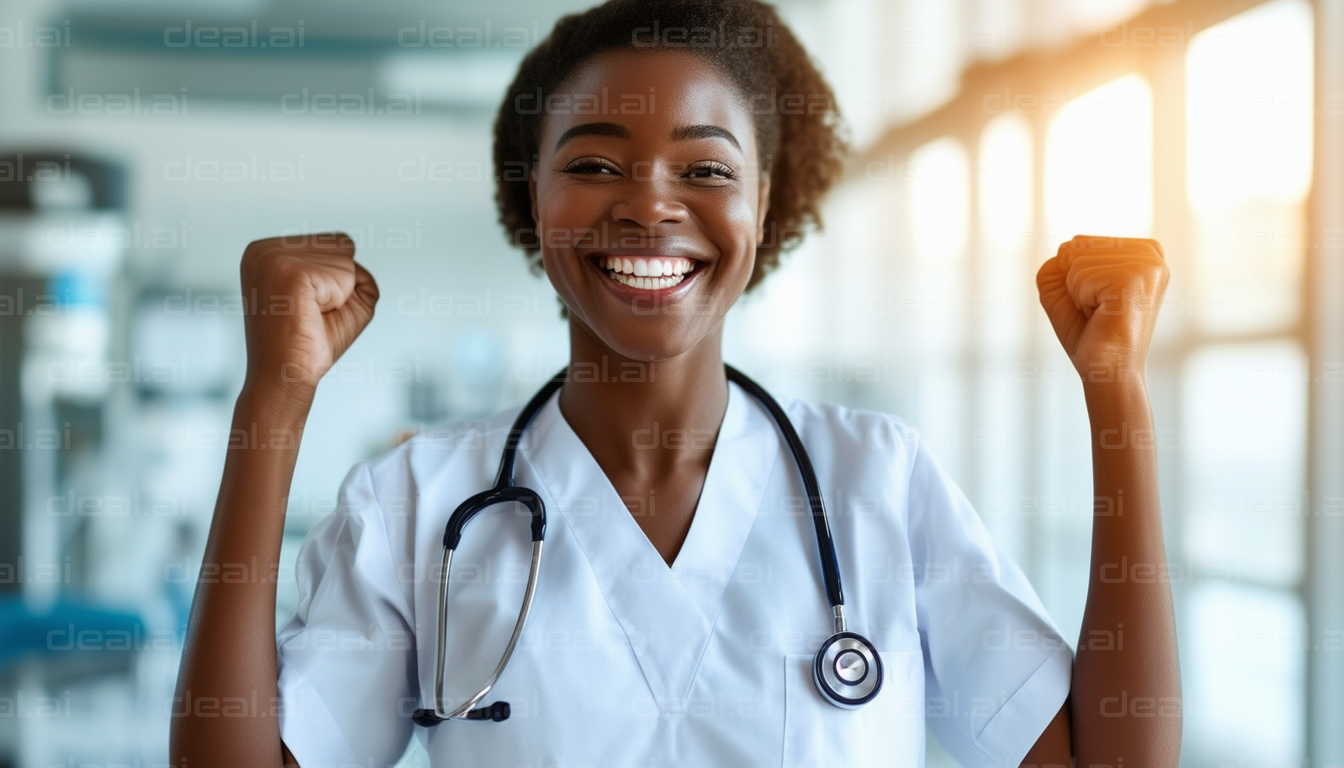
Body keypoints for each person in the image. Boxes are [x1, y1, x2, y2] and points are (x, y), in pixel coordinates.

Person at [168, 0, 1180, 766]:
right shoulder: (420, 505)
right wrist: (274, 402)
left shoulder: (879, 482)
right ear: (536, 195)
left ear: (765, 200)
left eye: (703, 169)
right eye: (596, 165)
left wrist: (1115, 394)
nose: (650, 205)